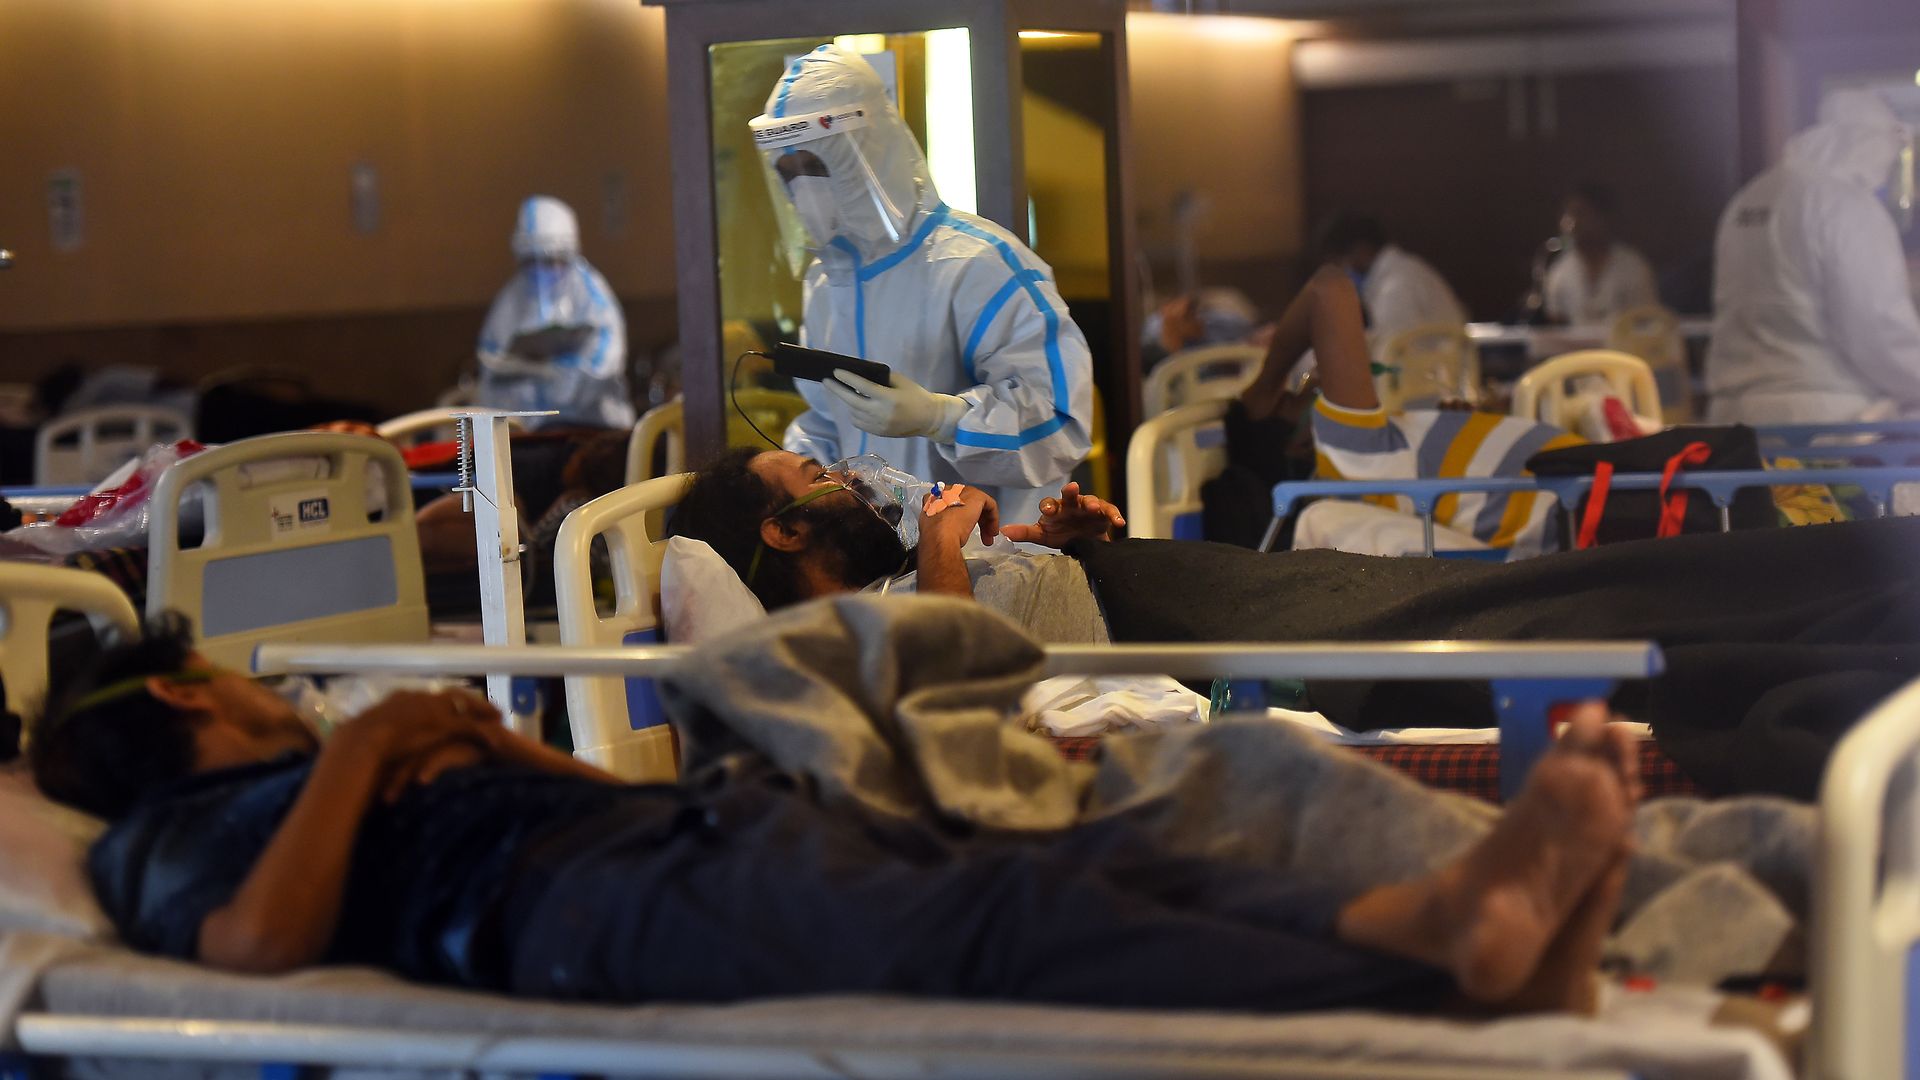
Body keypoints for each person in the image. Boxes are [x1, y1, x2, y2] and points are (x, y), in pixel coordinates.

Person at [33, 613, 1641, 1015]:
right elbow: (254, 949)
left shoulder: (352, 767)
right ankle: (1441, 947)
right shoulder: (167, 844)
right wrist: (363, 746)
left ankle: (1474, 955)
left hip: (665, 842)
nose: (283, 701)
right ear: (187, 701)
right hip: (577, 926)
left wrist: (473, 745)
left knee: (1088, 856)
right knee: (998, 934)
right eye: (252, 691)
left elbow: (602, 797)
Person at [750, 45, 1094, 527]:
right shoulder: (829, 282)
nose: (804, 188)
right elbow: (829, 422)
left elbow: (1060, 422)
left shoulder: (979, 262)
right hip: (875, 560)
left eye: (816, 164)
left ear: (870, 148)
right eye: (789, 174)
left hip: (991, 556)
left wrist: (942, 419)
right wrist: (793, 470)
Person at [1706, 89, 1920, 424]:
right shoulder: (1845, 202)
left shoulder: (1749, 197)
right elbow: (1878, 329)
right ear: (1871, 143)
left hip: (1733, 414)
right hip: (1821, 418)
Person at [475, 196, 635, 431]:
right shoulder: (510, 301)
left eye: (553, 261)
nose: (543, 274)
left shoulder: (591, 295)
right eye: (532, 262)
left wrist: (556, 374)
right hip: (527, 433)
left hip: (592, 428)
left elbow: (605, 363)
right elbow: (490, 362)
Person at [1318, 213, 1468, 338]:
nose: (1341, 273)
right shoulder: (1406, 270)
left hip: (1433, 370)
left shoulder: (1396, 287)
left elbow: (1392, 355)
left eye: (1339, 263)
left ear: (1361, 250)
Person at [1542, 184, 1657, 327]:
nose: (1570, 223)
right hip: (1577, 349)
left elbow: (1647, 321)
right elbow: (1556, 323)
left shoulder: (1633, 266)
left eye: (1580, 213)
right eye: (1567, 215)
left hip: (1624, 348)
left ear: (1602, 217)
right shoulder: (1559, 270)